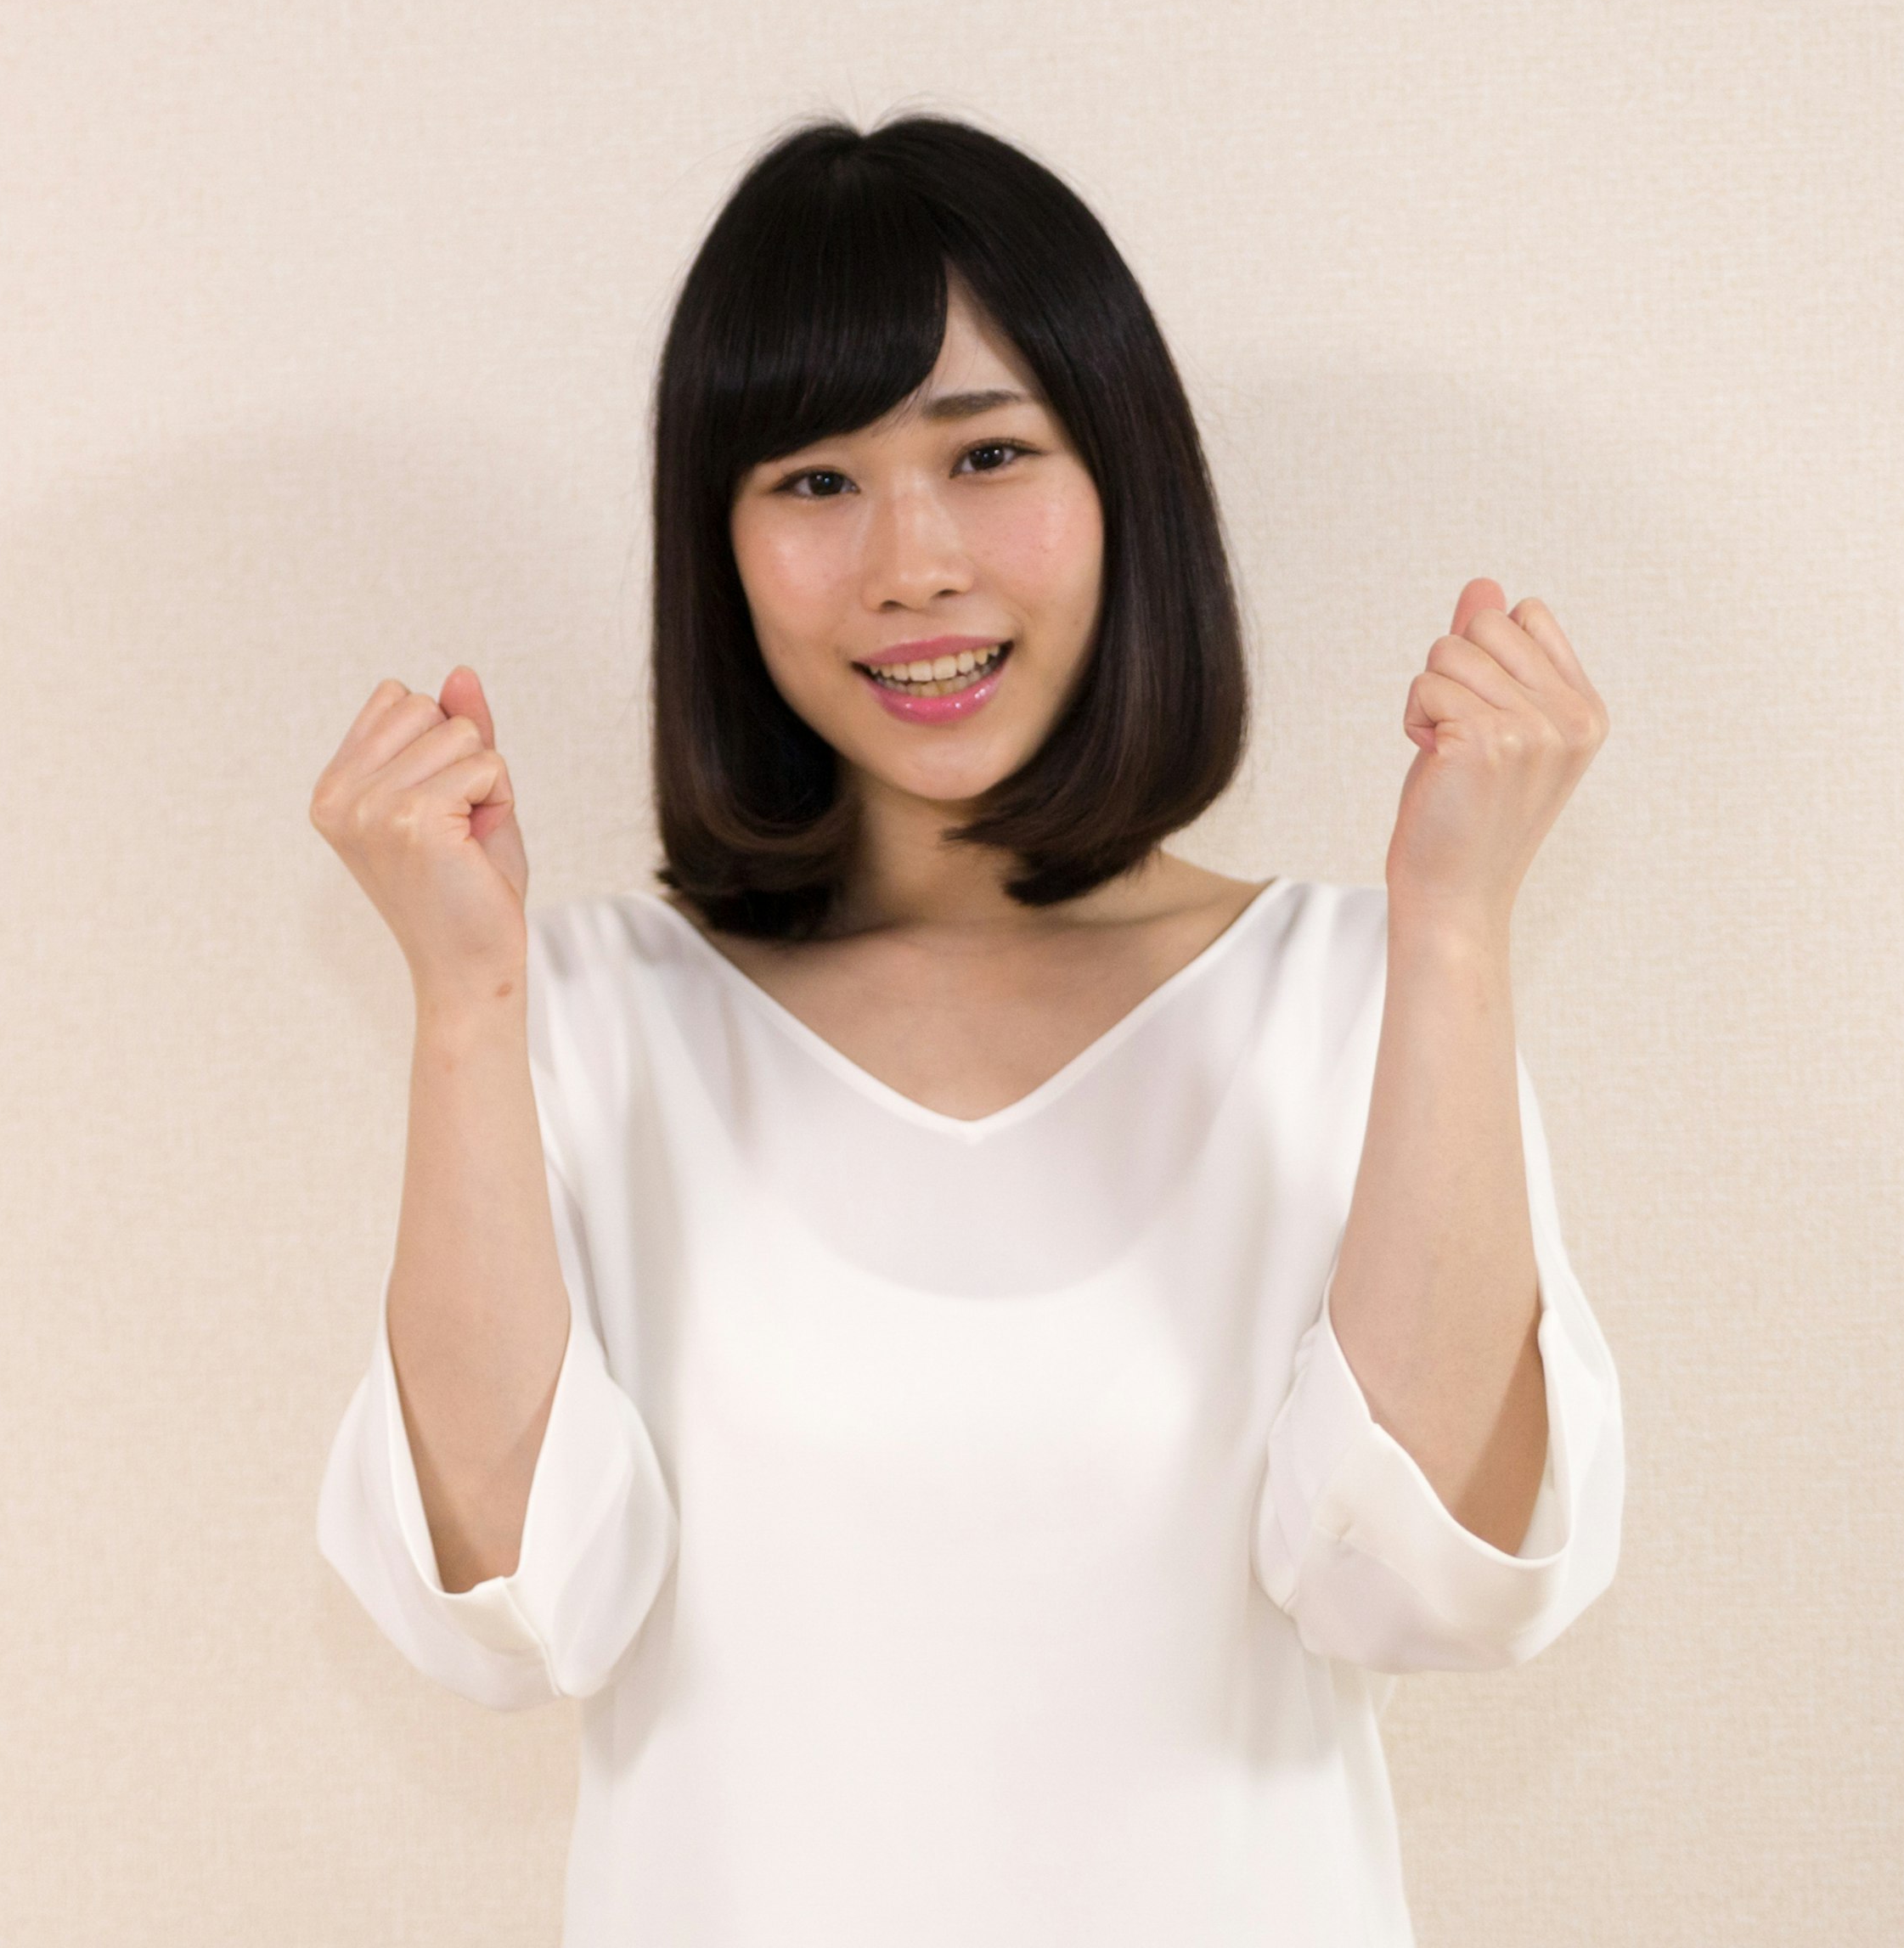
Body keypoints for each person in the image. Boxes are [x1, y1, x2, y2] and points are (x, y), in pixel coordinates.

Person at [308, 113, 1623, 1945]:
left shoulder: (1351, 991)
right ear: (722, 545)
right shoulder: (584, 1017)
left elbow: (1424, 1577)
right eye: (815, 482)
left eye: (987, 452)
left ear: (1125, 487)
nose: (912, 563)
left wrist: (1460, 930)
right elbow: (514, 1605)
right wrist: (463, 1002)